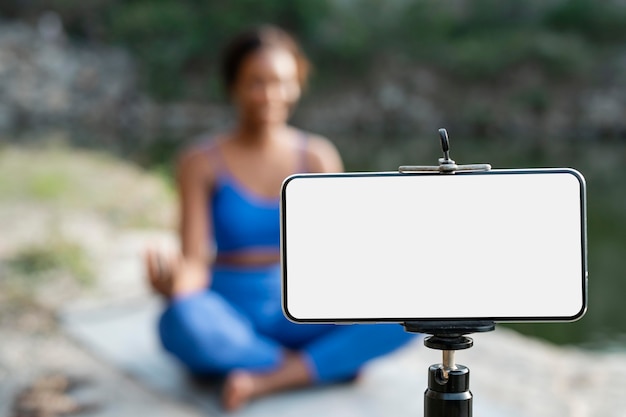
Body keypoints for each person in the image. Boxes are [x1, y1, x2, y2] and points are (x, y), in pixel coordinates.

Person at [145, 25, 414, 411]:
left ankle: (264, 376)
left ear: (299, 85)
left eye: (283, 82)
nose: (271, 96)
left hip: (303, 313)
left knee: (413, 311)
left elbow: (337, 262)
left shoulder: (317, 156)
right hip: (229, 313)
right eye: (257, 82)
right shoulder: (200, 161)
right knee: (182, 319)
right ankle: (320, 365)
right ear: (233, 85)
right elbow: (194, 265)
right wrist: (174, 285)